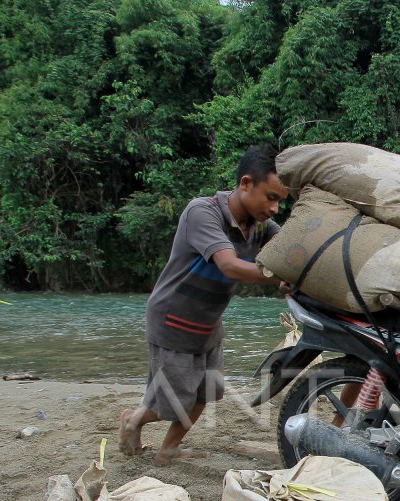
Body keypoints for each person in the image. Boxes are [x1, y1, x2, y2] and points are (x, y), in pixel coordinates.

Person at [120, 145, 288, 466]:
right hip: (173, 320)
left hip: (209, 323)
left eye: (281, 200)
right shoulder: (203, 212)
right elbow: (230, 266)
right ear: (245, 184)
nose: (276, 208)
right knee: (172, 401)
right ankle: (133, 421)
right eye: (270, 197)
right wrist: (280, 277)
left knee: (206, 393)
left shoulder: (262, 226)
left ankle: (168, 448)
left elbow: (289, 246)